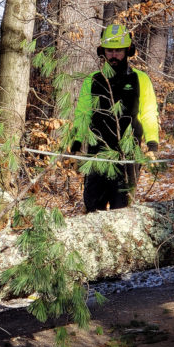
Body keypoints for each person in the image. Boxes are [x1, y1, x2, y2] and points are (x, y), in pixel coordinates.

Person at [70, 23, 160, 212]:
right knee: (93, 208)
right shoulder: (93, 80)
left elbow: (149, 113)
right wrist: (76, 143)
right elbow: (83, 113)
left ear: (128, 51)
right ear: (102, 51)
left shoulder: (140, 79)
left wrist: (152, 144)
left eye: (118, 50)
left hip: (128, 155)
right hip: (97, 153)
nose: (113, 55)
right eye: (109, 50)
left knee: (122, 210)